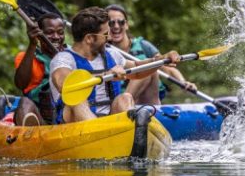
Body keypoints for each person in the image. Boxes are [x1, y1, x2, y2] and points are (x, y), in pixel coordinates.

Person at [49, 7, 182, 123]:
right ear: (89, 38)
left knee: (125, 98)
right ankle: (101, 135)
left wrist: (161, 60)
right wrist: (105, 75)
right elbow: (64, 85)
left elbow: (137, 69)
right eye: (106, 34)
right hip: (76, 124)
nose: (110, 38)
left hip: (110, 122)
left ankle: (129, 132)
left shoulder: (112, 54)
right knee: (78, 102)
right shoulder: (63, 59)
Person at [106, 4, 197, 105]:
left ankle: (149, 113)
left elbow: (167, 69)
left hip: (146, 98)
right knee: (147, 68)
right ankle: (123, 106)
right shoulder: (103, 51)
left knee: (149, 69)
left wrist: (182, 82)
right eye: (111, 23)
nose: (116, 26)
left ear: (126, 25)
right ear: (105, 26)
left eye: (121, 22)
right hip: (119, 102)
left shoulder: (143, 45)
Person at [12, 13, 66, 125]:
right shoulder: (26, 57)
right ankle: (29, 133)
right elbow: (21, 84)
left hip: (66, 114)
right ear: (39, 34)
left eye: (60, 33)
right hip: (40, 116)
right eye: (49, 33)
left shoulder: (72, 54)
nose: (56, 37)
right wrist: (32, 44)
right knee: (25, 102)